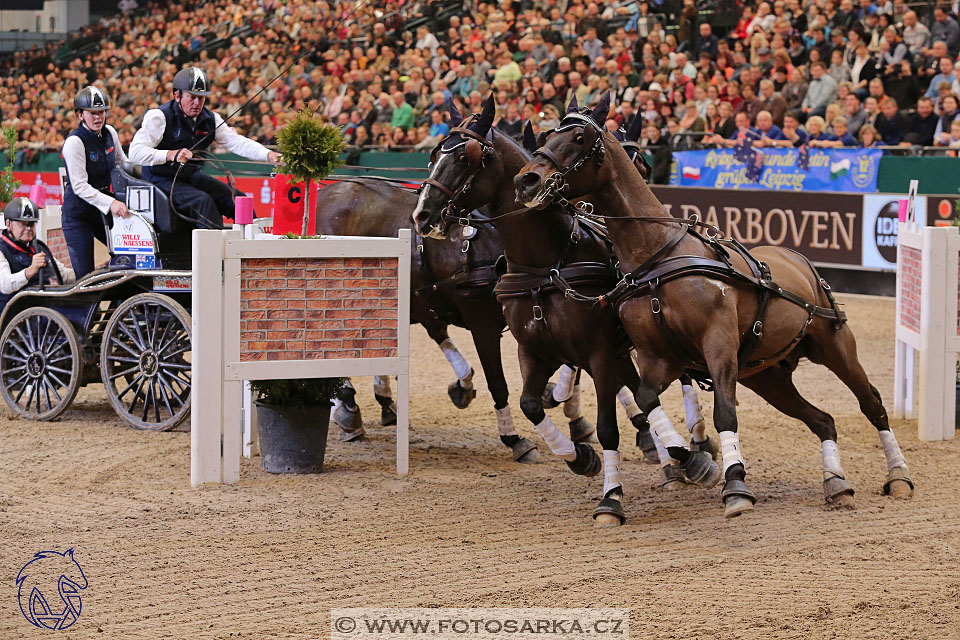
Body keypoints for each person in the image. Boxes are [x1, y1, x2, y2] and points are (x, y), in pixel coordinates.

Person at [129, 67, 281, 230]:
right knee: (203, 202)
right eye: (191, 97)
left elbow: (237, 142)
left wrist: (269, 155)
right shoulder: (159, 117)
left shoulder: (211, 119)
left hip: (191, 177)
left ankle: (251, 250)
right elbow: (135, 152)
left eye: (201, 98)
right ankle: (212, 254)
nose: (197, 103)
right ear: (177, 95)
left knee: (238, 200)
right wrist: (171, 154)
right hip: (160, 180)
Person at [60, 86, 131, 279]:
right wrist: (112, 203)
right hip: (78, 215)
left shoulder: (110, 133)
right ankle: (83, 308)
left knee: (127, 255)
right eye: (92, 113)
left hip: (102, 209)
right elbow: (80, 186)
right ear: (80, 115)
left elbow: (123, 164)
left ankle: (122, 304)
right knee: (85, 275)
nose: (98, 117)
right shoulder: (74, 142)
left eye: (101, 112)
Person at [0, 198, 75, 308]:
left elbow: (63, 275)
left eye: (31, 224)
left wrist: (92, 271)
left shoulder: (38, 247)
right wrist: (30, 271)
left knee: (83, 308)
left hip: (41, 305)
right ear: (8, 224)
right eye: (23, 224)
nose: (28, 228)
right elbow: (5, 284)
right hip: (17, 312)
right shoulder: (2, 250)